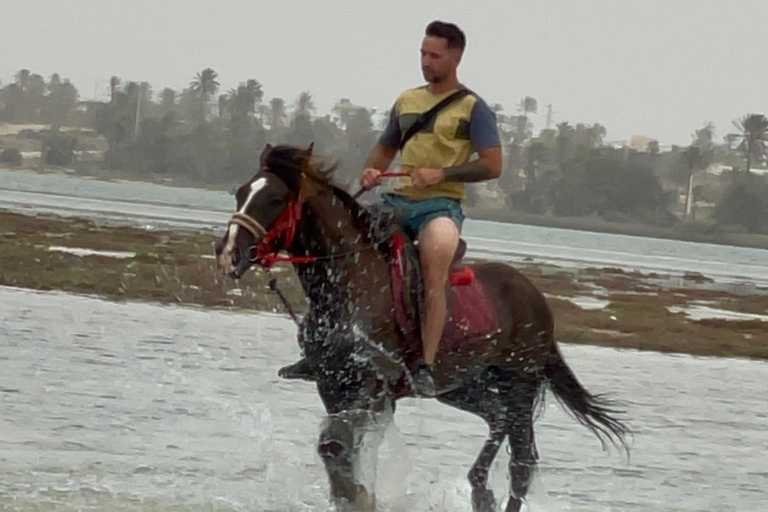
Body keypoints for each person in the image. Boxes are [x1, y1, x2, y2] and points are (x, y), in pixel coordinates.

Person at [280, 20, 502, 397]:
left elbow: (492, 165)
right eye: (422, 53)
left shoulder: (474, 109)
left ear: (456, 57)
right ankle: (319, 345)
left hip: (440, 207)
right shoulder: (407, 100)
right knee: (341, 251)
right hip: (395, 201)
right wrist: (372, 170)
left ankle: (425, 366)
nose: (426, 62)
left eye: (434, 56)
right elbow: (385, 148)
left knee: (434, 264)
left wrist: (441, 174)